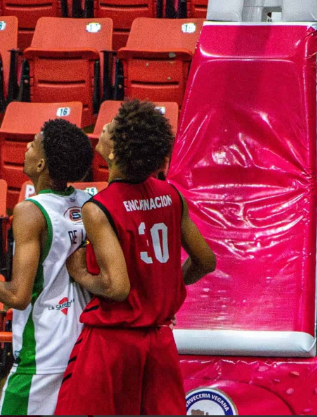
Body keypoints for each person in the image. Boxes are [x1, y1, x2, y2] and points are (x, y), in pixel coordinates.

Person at [55, 99, 217, 415]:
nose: (102, 127)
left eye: (111, 128)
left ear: (115, 153)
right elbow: (206, 260)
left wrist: (80, 274)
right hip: (159, 343)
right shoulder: (171, 195)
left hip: (113, 345)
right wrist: (164, 284)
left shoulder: (99, 208)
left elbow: (117, 288)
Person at [0, 119, 94, 416]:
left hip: (41, 351)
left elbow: (19, 295)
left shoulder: (30, 211)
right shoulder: (88, 203)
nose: (27, 148)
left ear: (41, 163)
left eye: (33, 143)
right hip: (82, 341)